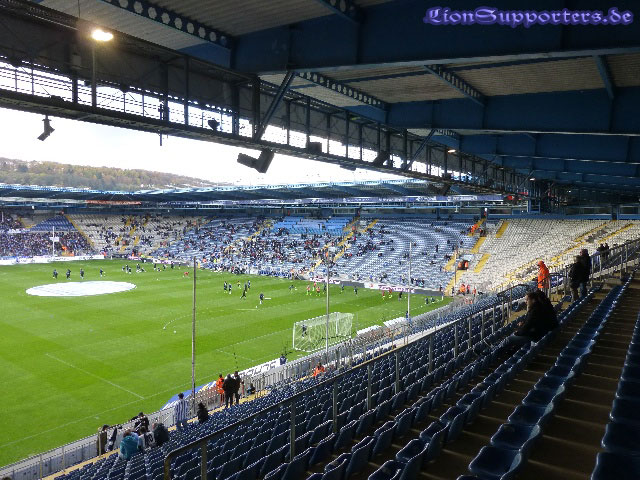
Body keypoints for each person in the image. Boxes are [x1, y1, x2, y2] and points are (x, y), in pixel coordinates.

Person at [479, 290, 558, 356]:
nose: (525, 302)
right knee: (510, 337)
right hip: (539, 333)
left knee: (509, 339)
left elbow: (527, 327)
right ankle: (495, 348)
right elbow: (530, 323)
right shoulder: (540, 308)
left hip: (535, 335)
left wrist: (518, 332)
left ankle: (492, 353)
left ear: (533, 300)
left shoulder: (535, 311)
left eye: (527, 300)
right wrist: (522, 326)